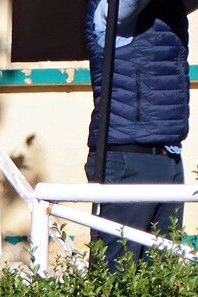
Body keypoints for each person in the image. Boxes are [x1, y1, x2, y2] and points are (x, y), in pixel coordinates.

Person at [86, 0, 198, 266]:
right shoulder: (111, 9)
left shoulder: (170, 10)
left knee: (161, 281)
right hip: (128, 158)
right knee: (116, 277)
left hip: (168, 156)